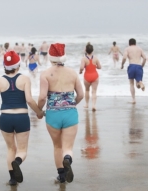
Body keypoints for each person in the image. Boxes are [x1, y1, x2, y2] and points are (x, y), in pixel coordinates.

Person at [0, 51, 43, 186]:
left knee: (10, 149)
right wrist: (39, 112)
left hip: (5, 118)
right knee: (22, 150)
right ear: (18, 64)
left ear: (4, 66)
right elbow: (30, 100)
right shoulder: (25, 79)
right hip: (21, 117)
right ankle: (18, 162)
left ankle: (12, 179)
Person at [37, 43, 84, 183]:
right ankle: (68, 159)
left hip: (53, 115)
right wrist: (71, 104)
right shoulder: (72, 73)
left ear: (51, 57)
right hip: (70, 113)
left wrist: (39, 110)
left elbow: (42, 97)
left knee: (57, 146)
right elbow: (81, 95)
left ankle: (62, 175)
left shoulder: (45, 74)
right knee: (68, 147)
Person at [121, 38, 146, 104]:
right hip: (139, 66)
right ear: (135, 43)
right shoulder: (139, 49)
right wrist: (142, 65)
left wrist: (122, 64)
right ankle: (140, 83)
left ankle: (133, 99)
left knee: (131, 84)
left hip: (131, 66)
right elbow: (145, 58)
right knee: (138, 81)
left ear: (129, 43)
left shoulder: (127, 49)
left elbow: (124, 57)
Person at [80, 42, 102, 111]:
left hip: (87, 76)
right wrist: (95, 66)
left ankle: (86, 104)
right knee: (94, 91)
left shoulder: (84, 59)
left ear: (86, 50)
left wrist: (80, 71)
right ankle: (93, 105)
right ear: (92, 50)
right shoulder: (95, 58)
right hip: (95, 76)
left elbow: (81, 67)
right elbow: (99, 67)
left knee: (87, 90)